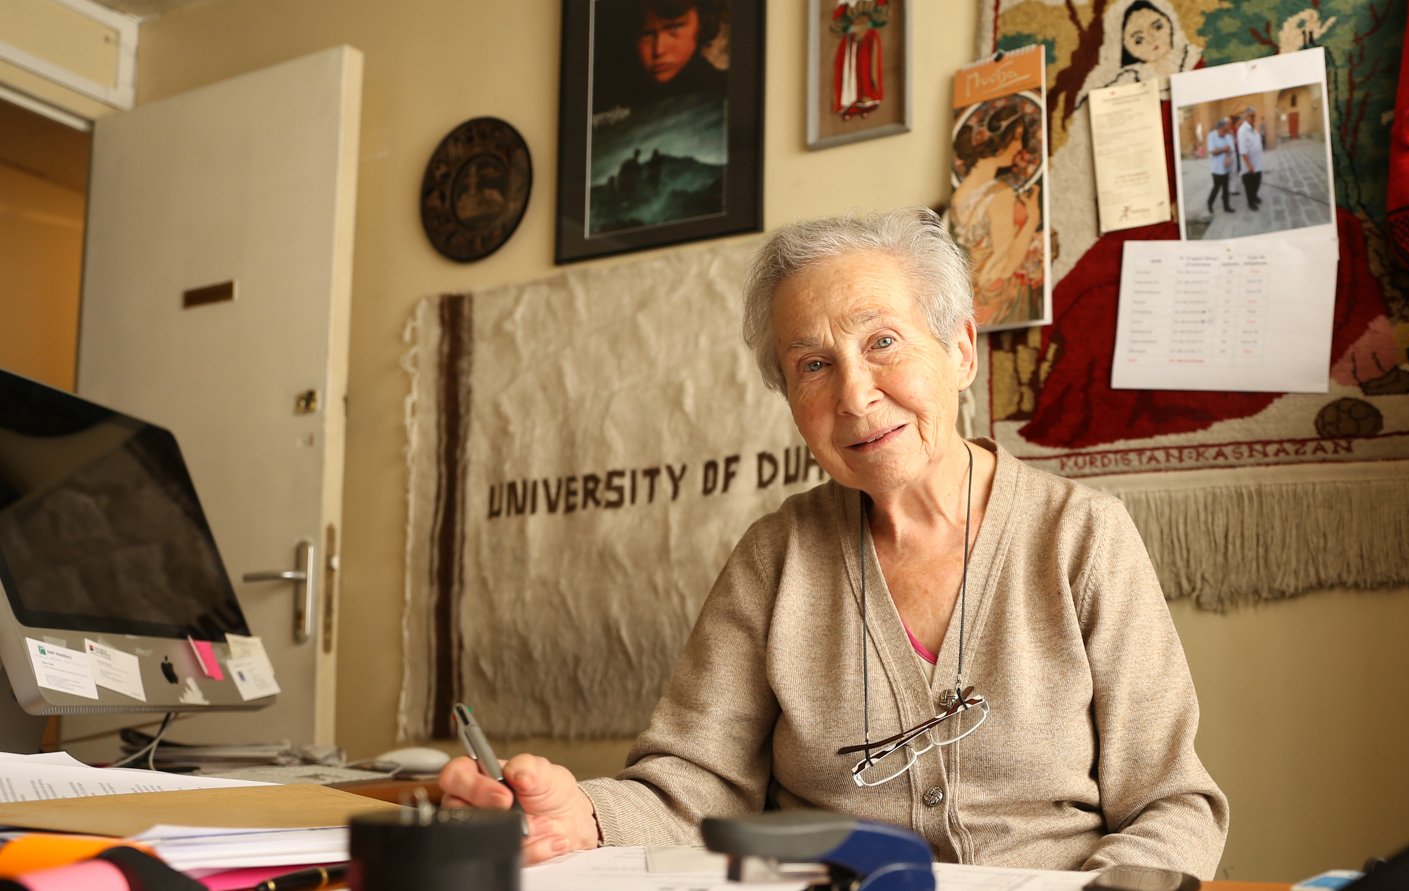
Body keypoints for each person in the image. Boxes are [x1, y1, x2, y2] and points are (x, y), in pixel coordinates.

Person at [439, 208, 1230, 878]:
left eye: (882, 342)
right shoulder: (774, 558)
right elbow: (693, 787)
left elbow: (1172, 804)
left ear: (960, 349)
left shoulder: (1082, 536)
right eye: (814, 364)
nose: (854, 394)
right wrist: (579, 814)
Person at [949, 103, 1044, 327]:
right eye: (1016, 138)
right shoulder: (1001, 194)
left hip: (973, 295)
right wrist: (1032, 219)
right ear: (998, 139)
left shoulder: (960, 193)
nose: (1020, 147)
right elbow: (1006, 266)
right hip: (999, 295)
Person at [593, 0, 726, 113]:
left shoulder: (723, 90)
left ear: (701, 23)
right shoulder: (604, 96)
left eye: (674, 27)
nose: (658, 50)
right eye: (645, 33)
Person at [1205, 117, 1236, 215]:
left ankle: (1226, 207)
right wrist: (1224, 149)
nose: (1225, 132)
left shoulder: (1227, 136)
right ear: (1219, 128)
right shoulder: (1211, 136)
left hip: (1226, 168)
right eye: (1224, 130)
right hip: (1216, 169)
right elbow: (1213, 151)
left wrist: (1227, 157)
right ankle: (1209, 203)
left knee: (1226, 189)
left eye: (1226, 130)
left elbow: (1230, 148)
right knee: (1216, 188)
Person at [1237, 107, 1264, 210]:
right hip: (1249, 166)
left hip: (1257, 163)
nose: (1254, 118)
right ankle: (1251, 203)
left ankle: (1254, 196)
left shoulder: (1253, 128)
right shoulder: (1242, 131)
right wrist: (1249, 165)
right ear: (1246, 116)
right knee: (1250, 186)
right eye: (1252, 116)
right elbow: (1243, 151)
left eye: (1254, 116)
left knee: (1257, 182)